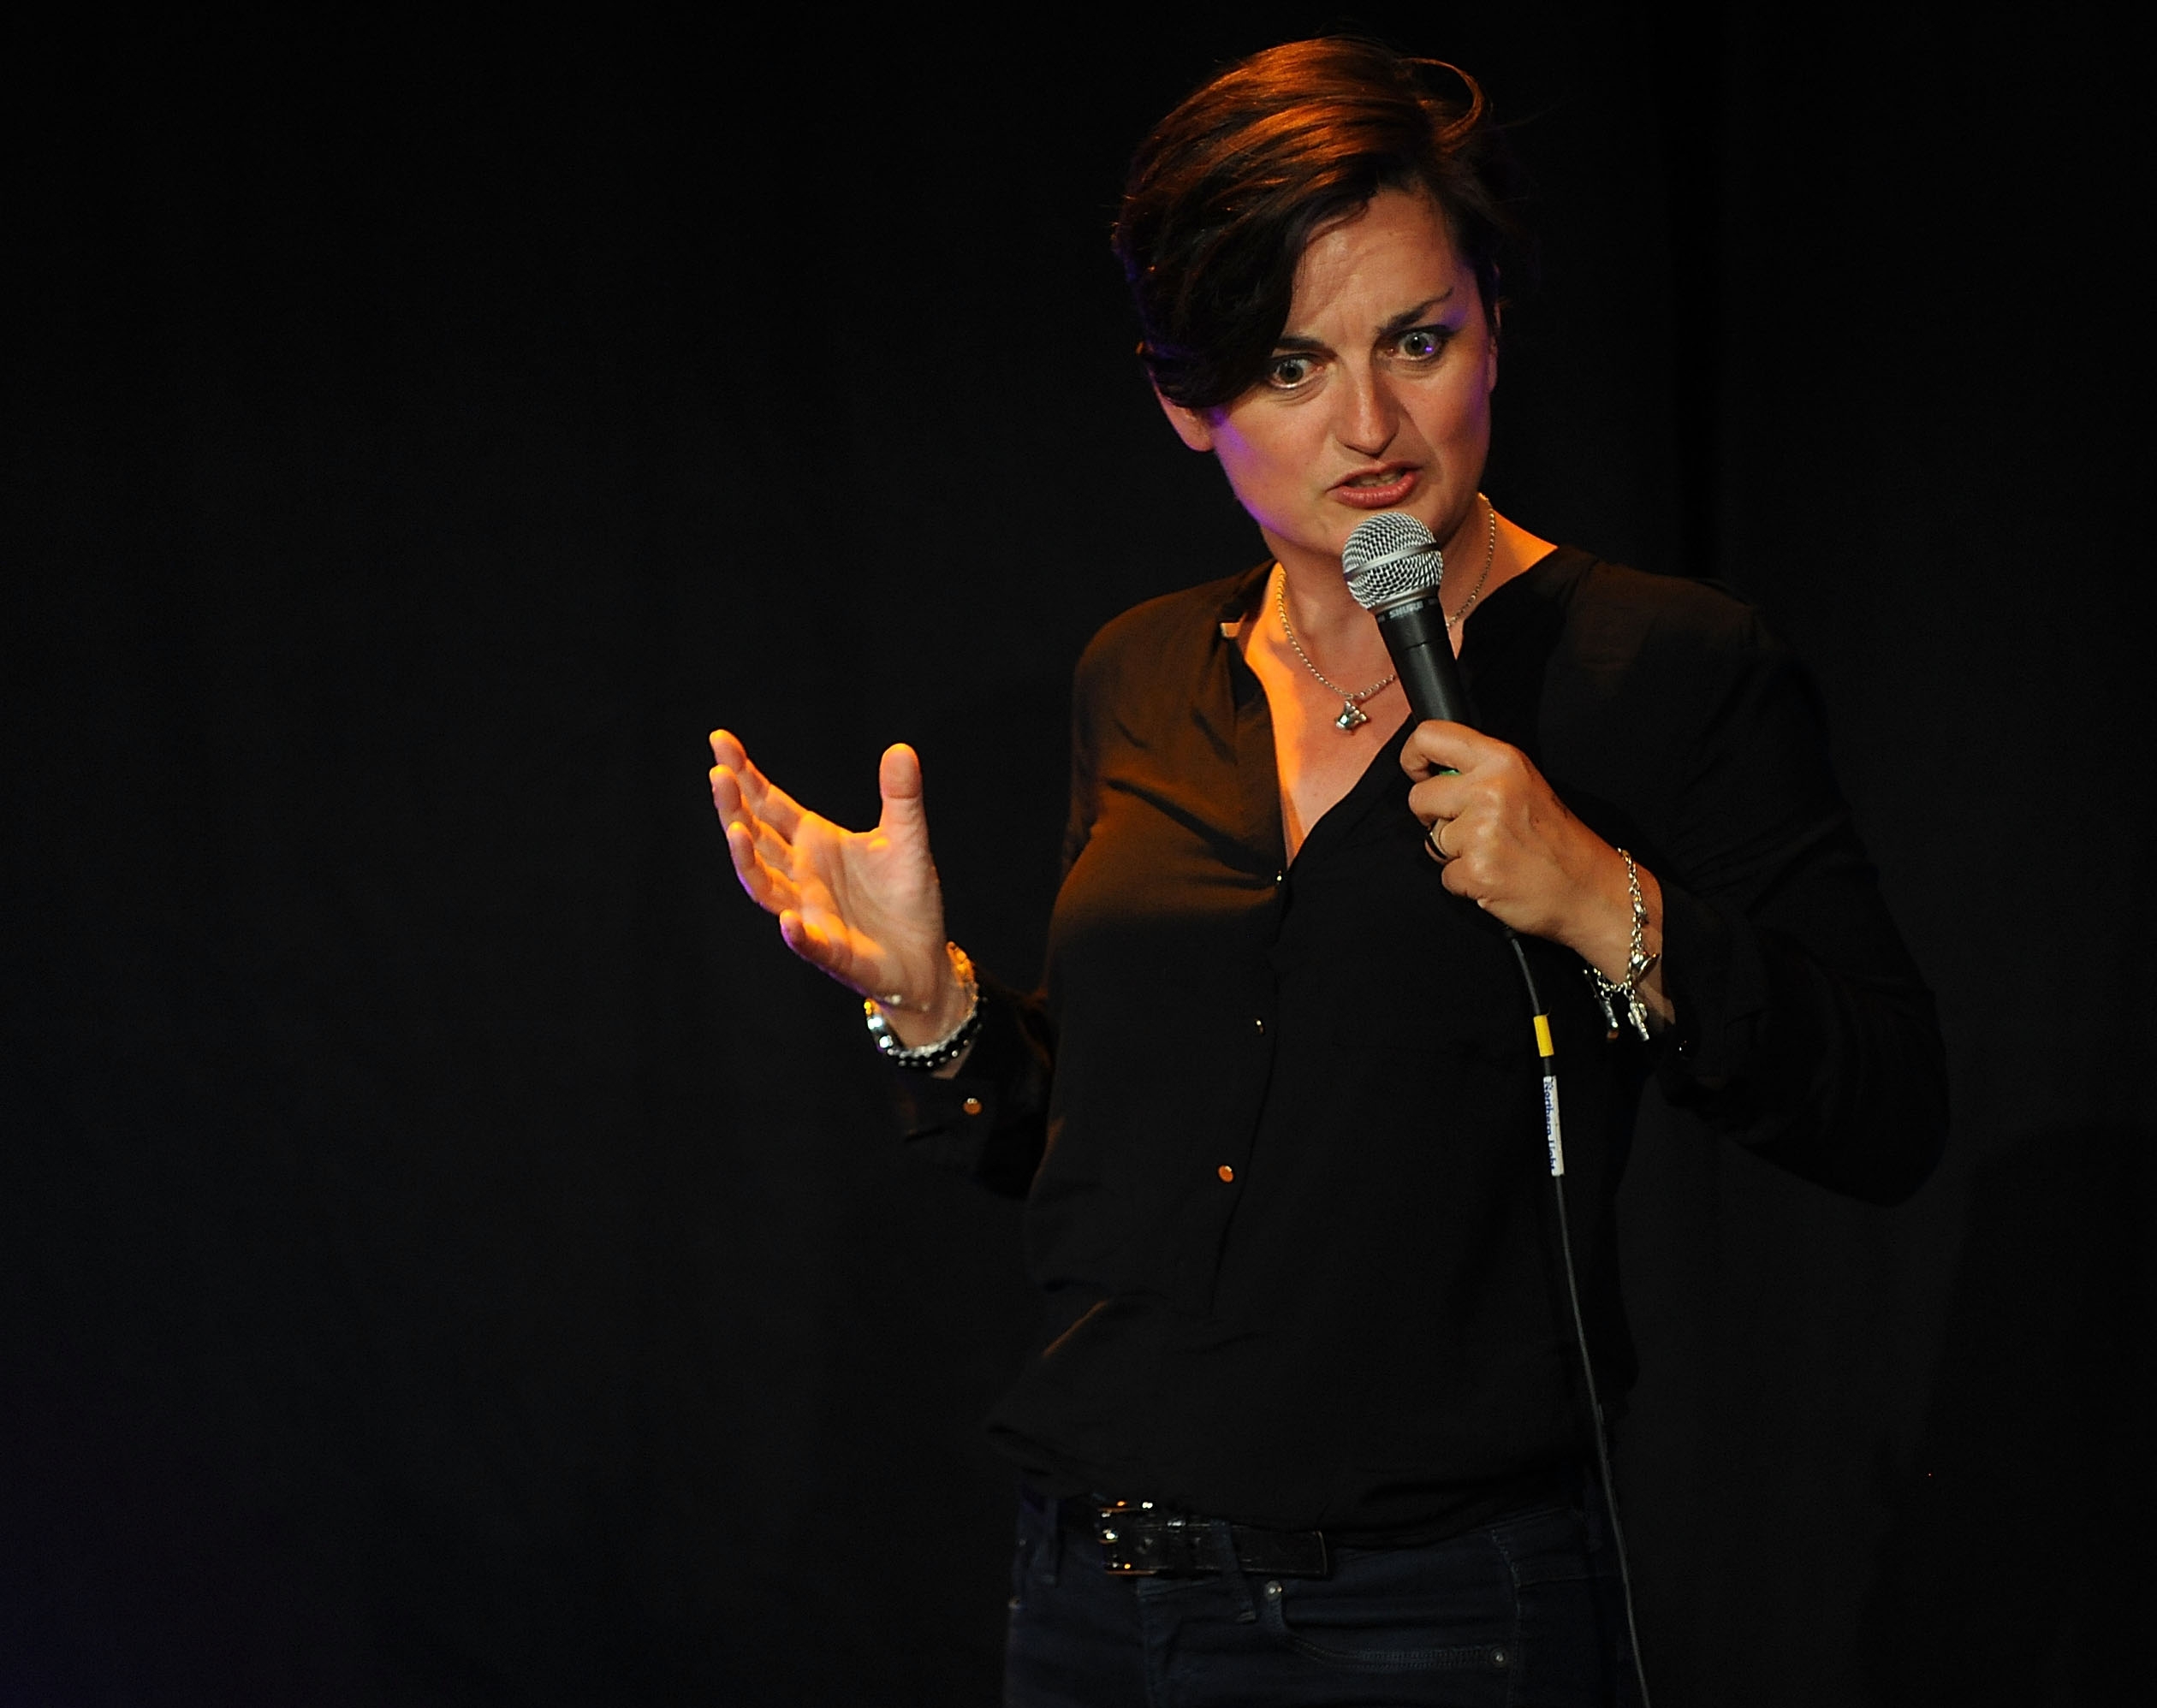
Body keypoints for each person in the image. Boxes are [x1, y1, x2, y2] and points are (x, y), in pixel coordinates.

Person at [709, 37, 1943, 1707]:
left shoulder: (1666, 666)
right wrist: (933, 1006)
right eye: (1291, 368)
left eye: (1416, 342)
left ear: (1494, 328)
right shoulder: (1142, 672)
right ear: (1187, 400)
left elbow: (1884, 1106)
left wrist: (1601, 897)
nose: (1370, 425)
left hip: (1434, 1613)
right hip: (1092, 1591)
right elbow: (1123, 1160)